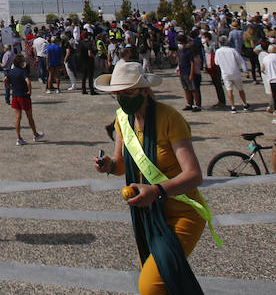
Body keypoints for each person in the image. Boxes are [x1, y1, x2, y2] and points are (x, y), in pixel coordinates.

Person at [93, 60, 220, 295]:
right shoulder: (122, 119)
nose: (122, 99)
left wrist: (157, 191)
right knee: (166, 283)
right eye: (117, 94)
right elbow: (121, 163)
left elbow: (193, 175)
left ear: (144, 90)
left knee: (151, 285)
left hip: (183, 213)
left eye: (127, 93)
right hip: (149, 216)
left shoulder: (170, 119)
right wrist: (109, 166)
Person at [4, 53, 44, 146]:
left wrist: (9, 87)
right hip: (24, 95)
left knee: (18, 117)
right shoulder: (23, 71)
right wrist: (30, 91)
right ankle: (35, 134)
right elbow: (28, 81)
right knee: (29, 116)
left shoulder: (11, 71)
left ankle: (19, 138)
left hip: (15, 95)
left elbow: (5, 79)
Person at [214, 37, 249, 113]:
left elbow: (216, 62)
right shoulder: (232, 50)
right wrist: (245, 71)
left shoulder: (218, 51)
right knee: (240, 89)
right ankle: (245, 104)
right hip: (235, 72)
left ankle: (233, 107)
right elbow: (241, 61)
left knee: (229, 90)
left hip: (225, 73)